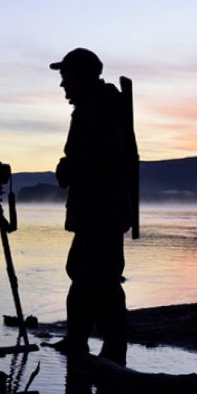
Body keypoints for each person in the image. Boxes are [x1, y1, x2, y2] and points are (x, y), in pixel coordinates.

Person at [50, 48, 133, 364]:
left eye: (65, 77)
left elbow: (96, 161)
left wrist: (67, 170)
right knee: (83, 274)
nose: (62, 85)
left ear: (80, 76)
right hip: (97, 210)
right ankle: (79, 341)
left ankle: (112, 350)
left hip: (100, 211)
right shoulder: (99, 105)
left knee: (103, 280)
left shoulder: (96, 109)